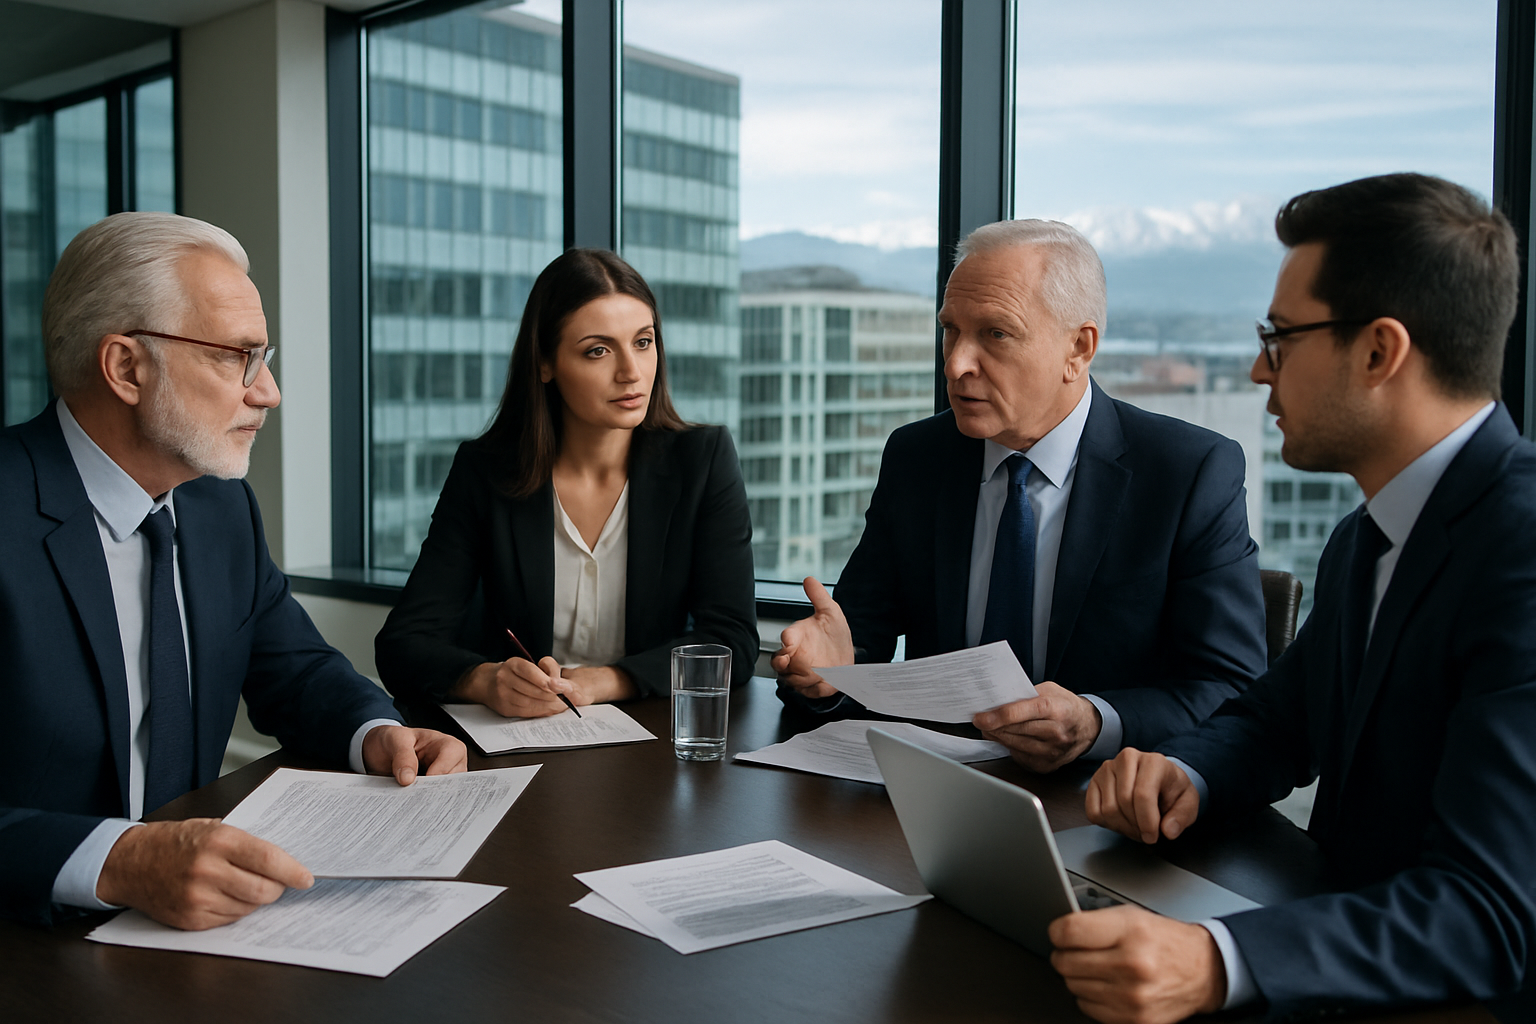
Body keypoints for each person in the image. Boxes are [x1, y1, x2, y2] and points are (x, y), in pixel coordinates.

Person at [1054, 173, 1536, 1023]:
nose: (1255, 368)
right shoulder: (1370, 534)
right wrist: (1190, 771)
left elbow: (1486, 914)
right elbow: (1280, 721)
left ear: (1380, 352)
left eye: (1279, 339)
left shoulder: (1522, 551)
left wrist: (1217, 961)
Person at [0, 212, 467, 930]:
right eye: (237, 357)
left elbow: (298, 671)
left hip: (195, 935)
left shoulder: (220, 506)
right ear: (127, 367)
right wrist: (120, 861)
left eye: (265, 356)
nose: (268, 391)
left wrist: (374, 731)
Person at [773, 220, 1267, 772]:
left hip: (1104, 805)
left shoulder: (1186, 472)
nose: (957, 363)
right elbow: (855, 640)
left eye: (995, 334)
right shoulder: (919, 457)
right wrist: (826, 676)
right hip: (934, 792)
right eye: (951, 330)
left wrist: (1096, 721)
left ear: (1078, 349)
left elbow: (1231, 687)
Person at [376, 249, 756, 717]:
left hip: (651, 737)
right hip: (518, 739)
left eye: (643, 342)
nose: (631, 372)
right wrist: (486, 680)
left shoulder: (703, 461)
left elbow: (732, 641)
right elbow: (403, 644)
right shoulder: (486, 472)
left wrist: (605, 680)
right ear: (544, 363)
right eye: (598, 350)